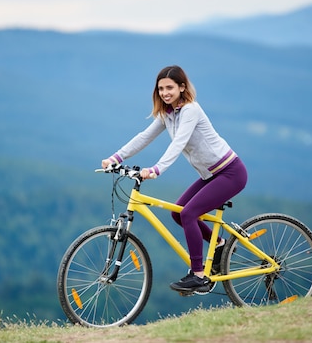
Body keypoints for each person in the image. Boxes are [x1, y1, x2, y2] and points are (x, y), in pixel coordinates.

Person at [102, 65, 248, 293]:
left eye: (169, 87)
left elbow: (178, 142)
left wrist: (157, 170)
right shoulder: (167, 114)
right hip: (210, 175)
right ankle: (219, 245)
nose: (165, 93)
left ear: (182, 87)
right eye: (160, 89)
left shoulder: (191, 110)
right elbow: (144, 137)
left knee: (189, 214)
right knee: (178, 213)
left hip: (230, 172)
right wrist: (115, 157)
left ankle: (198, 275)